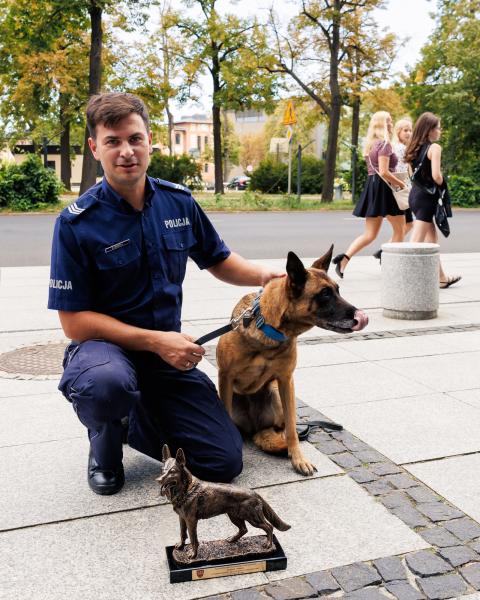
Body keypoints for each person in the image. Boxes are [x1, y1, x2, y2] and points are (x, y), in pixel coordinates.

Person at [48, 92, 283, 495]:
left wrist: (267, 275)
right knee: (108, 385)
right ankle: (105, 439)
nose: (126, 152)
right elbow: (74, 322)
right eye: (113, 141)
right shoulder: (75, 224)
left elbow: (220, 260)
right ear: (94, 147)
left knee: (223, 461)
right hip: (105, 350)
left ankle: (131, 417)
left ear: (150, 139)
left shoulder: (178, 202)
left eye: (135, 139)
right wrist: (157, 342)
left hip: (166, 356)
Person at [333, 111, 407, 277]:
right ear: (382, 123)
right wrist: (401, 184)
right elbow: (384, 171)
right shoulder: (385, 145)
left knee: (370, 234)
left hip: (372, 188)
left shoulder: (371, 145)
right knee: (400, 230)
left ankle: (343, 260)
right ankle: (391, 265)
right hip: (385, 189)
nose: (391, 122)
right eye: (389, 120)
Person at [404, 111, 461, 288]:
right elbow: (436, 176)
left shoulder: (412, 148)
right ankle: (403, 280)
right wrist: (443, 182)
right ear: (429, 130)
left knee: (432, 241)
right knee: (416, 243)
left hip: (415, 195)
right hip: (427, 199)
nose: (440, 130)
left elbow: (410, 174)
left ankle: (441, 278)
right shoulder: (434, 148)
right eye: (438, 127)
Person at [372, 117, 414, 261]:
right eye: (405, 130)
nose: (409, 133)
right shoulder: (400, 148)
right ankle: (387, 252)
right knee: (405, 225)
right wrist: (405, 186)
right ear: (398, 132)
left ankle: (385, 250)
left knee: (408, 224)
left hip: (400, 186)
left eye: (410, 130)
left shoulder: (397, 145)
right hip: (401, 187)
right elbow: (402, 169)